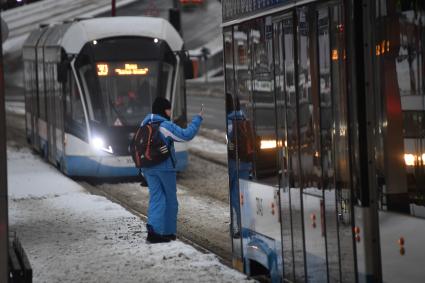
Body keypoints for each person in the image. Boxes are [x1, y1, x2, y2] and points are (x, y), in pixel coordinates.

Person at [141, 97, 203, 243]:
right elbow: (186, 135)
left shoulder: (144, 123)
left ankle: (154, 231)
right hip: (165, 168)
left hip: (148, 167)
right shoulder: (165, 125)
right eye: (168, 109)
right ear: (164, 110)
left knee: (156, 197)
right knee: (170, 200)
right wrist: (198, 119)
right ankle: (168, 232)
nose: (170, 111)